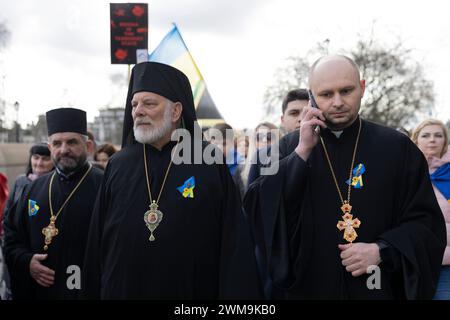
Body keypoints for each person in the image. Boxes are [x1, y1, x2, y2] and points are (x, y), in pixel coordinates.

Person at [244, 55, 446, 299]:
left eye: (346, 90)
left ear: (362, 87)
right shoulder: (287, 148)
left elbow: (426, 224)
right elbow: (259, 211)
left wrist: (383, 249)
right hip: (312, 287)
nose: (338, 102)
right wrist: (301, 153)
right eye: (326, 94)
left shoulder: (397, 147)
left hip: (377, 285)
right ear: (312, 95)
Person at [81, 62, 261, 299]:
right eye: (134, 104)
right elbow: (97, 241)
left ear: (176, 111)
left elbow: (232, 242)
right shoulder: (118, 164)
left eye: (149, 103)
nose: (138, 111)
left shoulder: (207, 161)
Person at [3, 108, 103, 299]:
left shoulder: (106, 186)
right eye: (57, 143)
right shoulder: (33, 189)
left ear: (88, 146)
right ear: (50, 147)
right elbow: (11, 236)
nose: (64, 149)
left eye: (72, 142)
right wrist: (27, 261)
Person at [412, 119, 450, 300]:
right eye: (426, 135)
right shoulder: (406, 172)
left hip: (446, 264)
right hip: (413, 262)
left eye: (438, 135)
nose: (432, 140)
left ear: (445, 140)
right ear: (416, 140)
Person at [3, 143, 54, 219]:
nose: (39, 163)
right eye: (36, 158)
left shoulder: (56, 184)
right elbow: (8, 210)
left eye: (45, 159)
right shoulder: (20, 181)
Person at [210, 123, 245, 198]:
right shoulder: (205, 164)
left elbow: (242, 194)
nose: (220, 148)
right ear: (211, 143)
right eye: (216, 144)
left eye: (224, 144)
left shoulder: (240, 165)